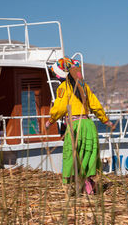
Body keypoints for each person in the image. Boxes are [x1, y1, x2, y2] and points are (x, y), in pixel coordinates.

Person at [45, 57, 115, 195]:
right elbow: (95, 105)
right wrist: (105, 120)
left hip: (75, 127)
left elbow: (59, 108)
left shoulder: (63, 87)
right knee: (85, 157)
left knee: (75, 158)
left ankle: (87, 188)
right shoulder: (84, 86)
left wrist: (51, 121)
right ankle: (88, 185)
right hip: (88, 126)